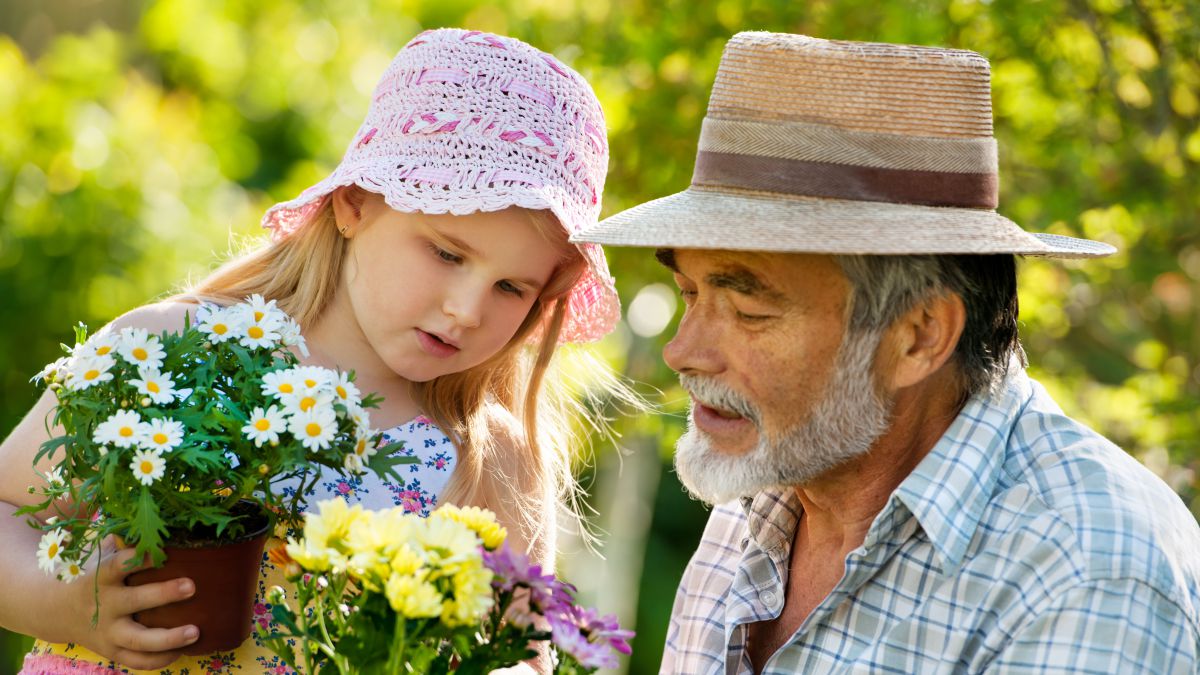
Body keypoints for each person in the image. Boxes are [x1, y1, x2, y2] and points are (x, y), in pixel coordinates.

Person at [574, 32, 1200, 673]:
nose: (684, 351)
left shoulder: (1085, 571)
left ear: (919, 336)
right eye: (688, 293)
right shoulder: (764, 496)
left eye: (750, 310)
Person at [1, 27, 622, 674]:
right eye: (446, 252)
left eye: (511, 287)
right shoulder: (171, 349)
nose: (467, 310)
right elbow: (7, 505)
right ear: (354, 203)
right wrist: (63, 605)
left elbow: (524, 654)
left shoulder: (489, 458)